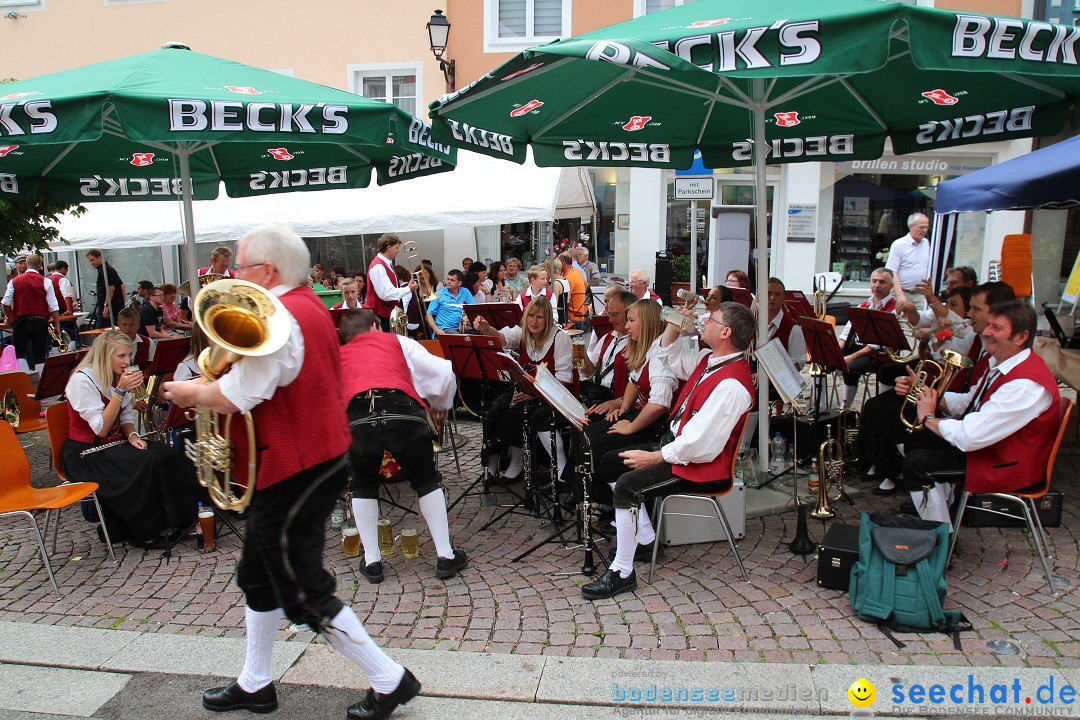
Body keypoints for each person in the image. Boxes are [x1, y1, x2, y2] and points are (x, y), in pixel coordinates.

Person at [163, 225, 421, 720]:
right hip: (304, 459)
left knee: (302, 590)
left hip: (295, 466)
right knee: (258, 576)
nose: (234, 277)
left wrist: (192, 392)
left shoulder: (281, 316)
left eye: (240, 267)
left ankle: (389, 680)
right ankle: (255, 683)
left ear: (268, 270)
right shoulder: (306, 304)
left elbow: (243, 393)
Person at [581, 301, 757, 600]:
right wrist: (675, 325)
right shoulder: (710, 359)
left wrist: (654, 456)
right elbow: (669, 356)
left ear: (726, 332)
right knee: (610, 462)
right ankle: (647, 539)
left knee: (627, 486)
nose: (704, 321)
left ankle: (622, 572)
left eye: (710, 319)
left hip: (700, 467)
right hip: (678, 449)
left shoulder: (733, 385)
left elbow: (700, 445)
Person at [902, 301, 1060, 529]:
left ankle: (940, 539)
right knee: (916, 440)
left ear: (1020, 337)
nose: (986, 333)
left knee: (917, 464)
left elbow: (970, 437)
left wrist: (928, 417)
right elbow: (969, 404)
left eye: (996, 328)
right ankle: (943, 510)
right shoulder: (1003, 362)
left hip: (1008, 464)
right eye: (989, 326)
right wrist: (927, 392)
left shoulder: (1025, 384)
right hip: (993, 447)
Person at [339, 310, 467, 584]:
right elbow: (444, 372)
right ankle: (445, 556)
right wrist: (441, 406)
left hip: (358, 420)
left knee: (362, 485)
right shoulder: (397, 341)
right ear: (375, 327)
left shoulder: (339, 356)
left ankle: (373, 561)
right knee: (426, 481)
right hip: (402, 413)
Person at [861, 282, 1013, 496]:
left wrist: (929, 412)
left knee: (904, 427)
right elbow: (969, 399)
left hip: (975, 440)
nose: (969, 314)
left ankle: (918, 484)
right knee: (885, 411)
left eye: (975, 309)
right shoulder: (980, 341)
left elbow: (973, 422)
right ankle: (898, 475)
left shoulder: (1002, 359)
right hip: (956, 406)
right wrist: (925, 392)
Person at [62, 330, 198, 547]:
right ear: (105, 356)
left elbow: (125, 416)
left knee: (167, 454)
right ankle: (145, 528)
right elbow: (101, 429)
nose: (127, 362)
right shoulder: (82, 380)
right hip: (87, 452)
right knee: (148, 464)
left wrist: (133, 434)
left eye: (129, 356)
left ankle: (179, 519)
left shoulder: (116, 376)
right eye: (122, 356)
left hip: (114, 443)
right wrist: (119, 391)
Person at [474, 297, 572, 483]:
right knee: (493, 411)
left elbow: (564, 379)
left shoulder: (560, 338)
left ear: (549, 319)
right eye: (531, 316)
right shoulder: (523, 333)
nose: (534, 321)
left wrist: (535, 392)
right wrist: (486, 329)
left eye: (540, 317)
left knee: (515, 414)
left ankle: (517, 465)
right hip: (525, 388)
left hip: (551, 394)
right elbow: (502, 339)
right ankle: (492, 464)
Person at [836, 268, 897, 408]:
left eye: (882, 282)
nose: (877, 285)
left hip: (884, 357)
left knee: (850, 367)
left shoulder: (894, 309)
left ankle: (845, 408)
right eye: (874, 281)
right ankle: (821, 406)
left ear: (891, 286)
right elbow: (847, 332)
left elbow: (879, 344)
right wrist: (836, 352)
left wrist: (850, 358)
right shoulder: (864, 304)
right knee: (823, 360)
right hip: (866, 352)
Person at [2, 254, 61, 371]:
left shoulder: (14, 281)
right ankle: (40, 380)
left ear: (26, 264)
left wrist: (8, 316)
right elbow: (53, 306)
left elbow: (5, 303)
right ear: (40, 266)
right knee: (39, 352)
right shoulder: (46, 281)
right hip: (41, 320)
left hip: (21, 321)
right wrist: (57, 325)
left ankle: (26, 380)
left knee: (20, 352)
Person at [580, 289, 635, 406]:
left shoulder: (638, 343)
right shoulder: (607, 337)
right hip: (597, 396)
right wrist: (581, 354)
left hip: (617, 404)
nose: (610, 320)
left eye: (615, 315)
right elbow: (590, 372)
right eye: (609, 314)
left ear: (630, 313)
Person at [364, 233, 418, 332]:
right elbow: (386, 294)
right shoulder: (378, 267)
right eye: (396, 248)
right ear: (389, 247)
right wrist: (408, 289)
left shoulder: (385, 264)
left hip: (386, 314)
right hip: (381, 316)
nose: (398, 251)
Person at [885, 213, 932, 311]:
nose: (925, 230)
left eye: (927, 227)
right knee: (901, 323)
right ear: (911, 226)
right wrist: (900, 295)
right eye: (921, 227)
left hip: (921, 294)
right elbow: (892, 271)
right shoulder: (899, 245)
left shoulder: (926, 243)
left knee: (920, 322)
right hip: (903, 292)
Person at [764, 277, 806, 371]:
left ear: (783, 297)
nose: (772, 298)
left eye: (777, 294)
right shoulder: (752, 323)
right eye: (769, 293)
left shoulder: (793, 329)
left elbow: (798, 364)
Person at [425, 270, 475, 336]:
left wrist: (467, 318)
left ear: (459, 283)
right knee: (460, 338)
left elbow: (473, 309)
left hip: (462, 327)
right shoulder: (438, 294)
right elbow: (428, 315)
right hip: (445, 328)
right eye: (448, 279)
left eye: (452, 280)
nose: (449, 282)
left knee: (481, 334)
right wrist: (437, 330)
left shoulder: (465, 292)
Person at [87, 249, 125, 328]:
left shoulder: (105, 270)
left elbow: (111, 288)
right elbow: (122, 286)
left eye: (93, 260)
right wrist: (122, 304)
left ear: (99, 257)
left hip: (109, 309)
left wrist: (106, 306)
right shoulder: (109, 269)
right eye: (89, 261)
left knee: (103, 334)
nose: (91, 263)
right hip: (115, 308)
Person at [557, 252, 588, 330]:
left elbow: (565, 299)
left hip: (571, 318)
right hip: (580, 313)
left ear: (562, 263)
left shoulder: (568, 278)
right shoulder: (576, 271)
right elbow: (586, 285)